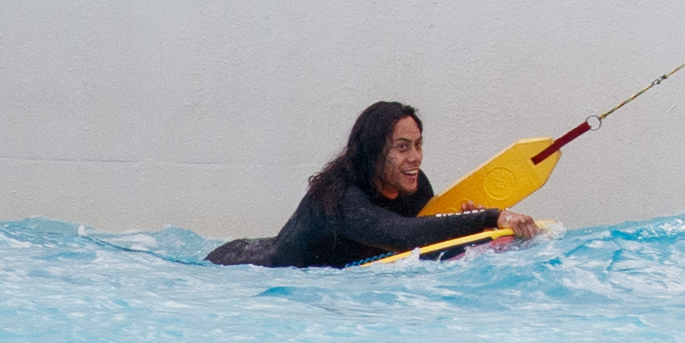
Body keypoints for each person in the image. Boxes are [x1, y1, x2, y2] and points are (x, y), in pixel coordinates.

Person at [206, 101, 539, 268]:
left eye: (418, 144)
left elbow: (424, 231)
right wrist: (491, 217)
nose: (416, 157)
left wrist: (465, 219)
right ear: (373, 152)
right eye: (402, 147)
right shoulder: (342, 199)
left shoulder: (413, 184)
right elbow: (400, 236)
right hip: (242, 268)